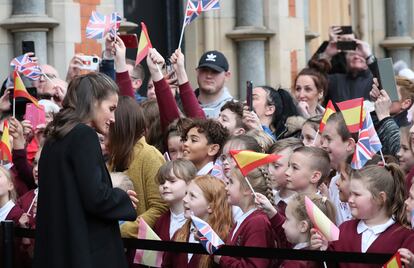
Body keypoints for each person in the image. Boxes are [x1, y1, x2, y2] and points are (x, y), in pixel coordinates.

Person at [33, 73, 138, 268]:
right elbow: (95, 197)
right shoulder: (84, 135)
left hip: (59, 251)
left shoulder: (55, 138)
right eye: (111, 108)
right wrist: (122, 198)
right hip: (85, 253)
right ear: (93, 102)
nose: (114, 118)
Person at [311, 164, 414, 268]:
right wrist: (323, 249)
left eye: (357, 194)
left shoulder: (405, 236)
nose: (350, 200)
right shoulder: (344, 229)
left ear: (380, 198)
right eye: (350, 194)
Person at [107, 96, 167, 238]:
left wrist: (124, 230)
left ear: (120, 126)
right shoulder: (114, 157)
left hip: (142, 250)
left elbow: (160, 208)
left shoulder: (150, 155)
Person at [162, 175, 233, 268]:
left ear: (210, 206)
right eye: (186, 193)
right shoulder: (179, 234)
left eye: (192, 196)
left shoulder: (225, 238)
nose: (184, 199)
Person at [214, 165, 275, 268]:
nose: (226, 187)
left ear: (247, 189)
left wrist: (222, 259)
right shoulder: (247, 218)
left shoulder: (258, 222)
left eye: (231, 182)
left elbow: (254, 265)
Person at [154, 159, 197, 241]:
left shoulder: (199, 220)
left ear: (190, 183)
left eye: (172, 181)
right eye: (162, 182)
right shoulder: (160, 222)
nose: (165, 185)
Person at [267, 138, 303, 217]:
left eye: (276, 166)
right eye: (267, 165)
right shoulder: (268, 198)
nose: (269, 171)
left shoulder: (302, 206)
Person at [195, 50, 233, 118]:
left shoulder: (235, 111)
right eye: (204, 70)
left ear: (227, 76)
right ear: (197, 73)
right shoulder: (181, 104)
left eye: (215, 71)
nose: (209, 76)